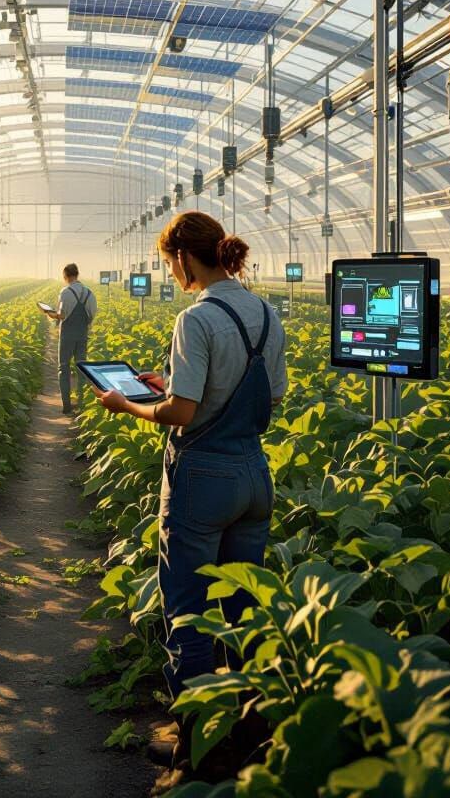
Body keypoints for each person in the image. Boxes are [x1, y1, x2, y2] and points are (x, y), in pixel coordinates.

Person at [91, 211, 286, 772]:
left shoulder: (197, 319)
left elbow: (181, 411)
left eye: (167, 263)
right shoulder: (266, 313)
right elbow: (268, 398)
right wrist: (171, 384)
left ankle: (195, 744)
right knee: (242, 610)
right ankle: (249, 732)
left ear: (182, 258)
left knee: (190, 613)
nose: (170, 272)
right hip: (253, 474)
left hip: (203, 479)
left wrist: (128, 403)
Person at [43, 262, 98, 415]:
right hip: (82, 335)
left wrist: (49, 314)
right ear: (77, 275)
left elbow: (61, 315)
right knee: (81, 368)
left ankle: (66, 405)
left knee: (63, 368)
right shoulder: (89, 293)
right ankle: (81, 404)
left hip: (67, 335)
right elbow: (92, 314)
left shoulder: (65, 292)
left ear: (65, 276)